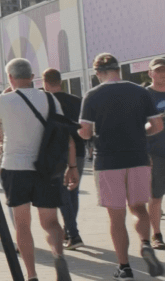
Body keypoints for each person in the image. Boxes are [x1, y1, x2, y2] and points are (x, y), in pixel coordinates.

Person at [0, 59, 76, 281]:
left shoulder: (4, 100)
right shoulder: (50, 98)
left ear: (10, 78)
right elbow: (63, 132)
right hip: (47, 167)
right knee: (50, 221)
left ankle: (31, 275)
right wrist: (73, 166)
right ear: (32, 77)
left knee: (23, 225)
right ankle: (58, 256)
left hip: (15, 167)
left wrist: (2, 106)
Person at [79, 53, 164, 279]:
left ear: (98, 73)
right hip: (138, 157)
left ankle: (124, 267)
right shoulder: (139, 91)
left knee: (116, 217)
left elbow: (85, 132)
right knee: (138, 209)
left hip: (108, 161)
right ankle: (146, 243)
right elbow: (156, 125)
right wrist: (139, 133)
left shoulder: (92, 95)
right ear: (119, 70)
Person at [43, 68, 86, 250]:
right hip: (79, 151)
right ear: (60, 81)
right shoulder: (77, 101)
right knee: (72, 192)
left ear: (44, 82)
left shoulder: (44, 102)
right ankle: (70, 231)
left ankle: (73, 234)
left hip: (57, 152)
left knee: (62, 194)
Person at [147, 57, 165, 250]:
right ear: (150, 73)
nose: (162, 74)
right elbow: (136, 125)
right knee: (156, 196)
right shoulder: (144, 95)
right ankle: (156, 235)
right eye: (158, 71)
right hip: (155, 153)